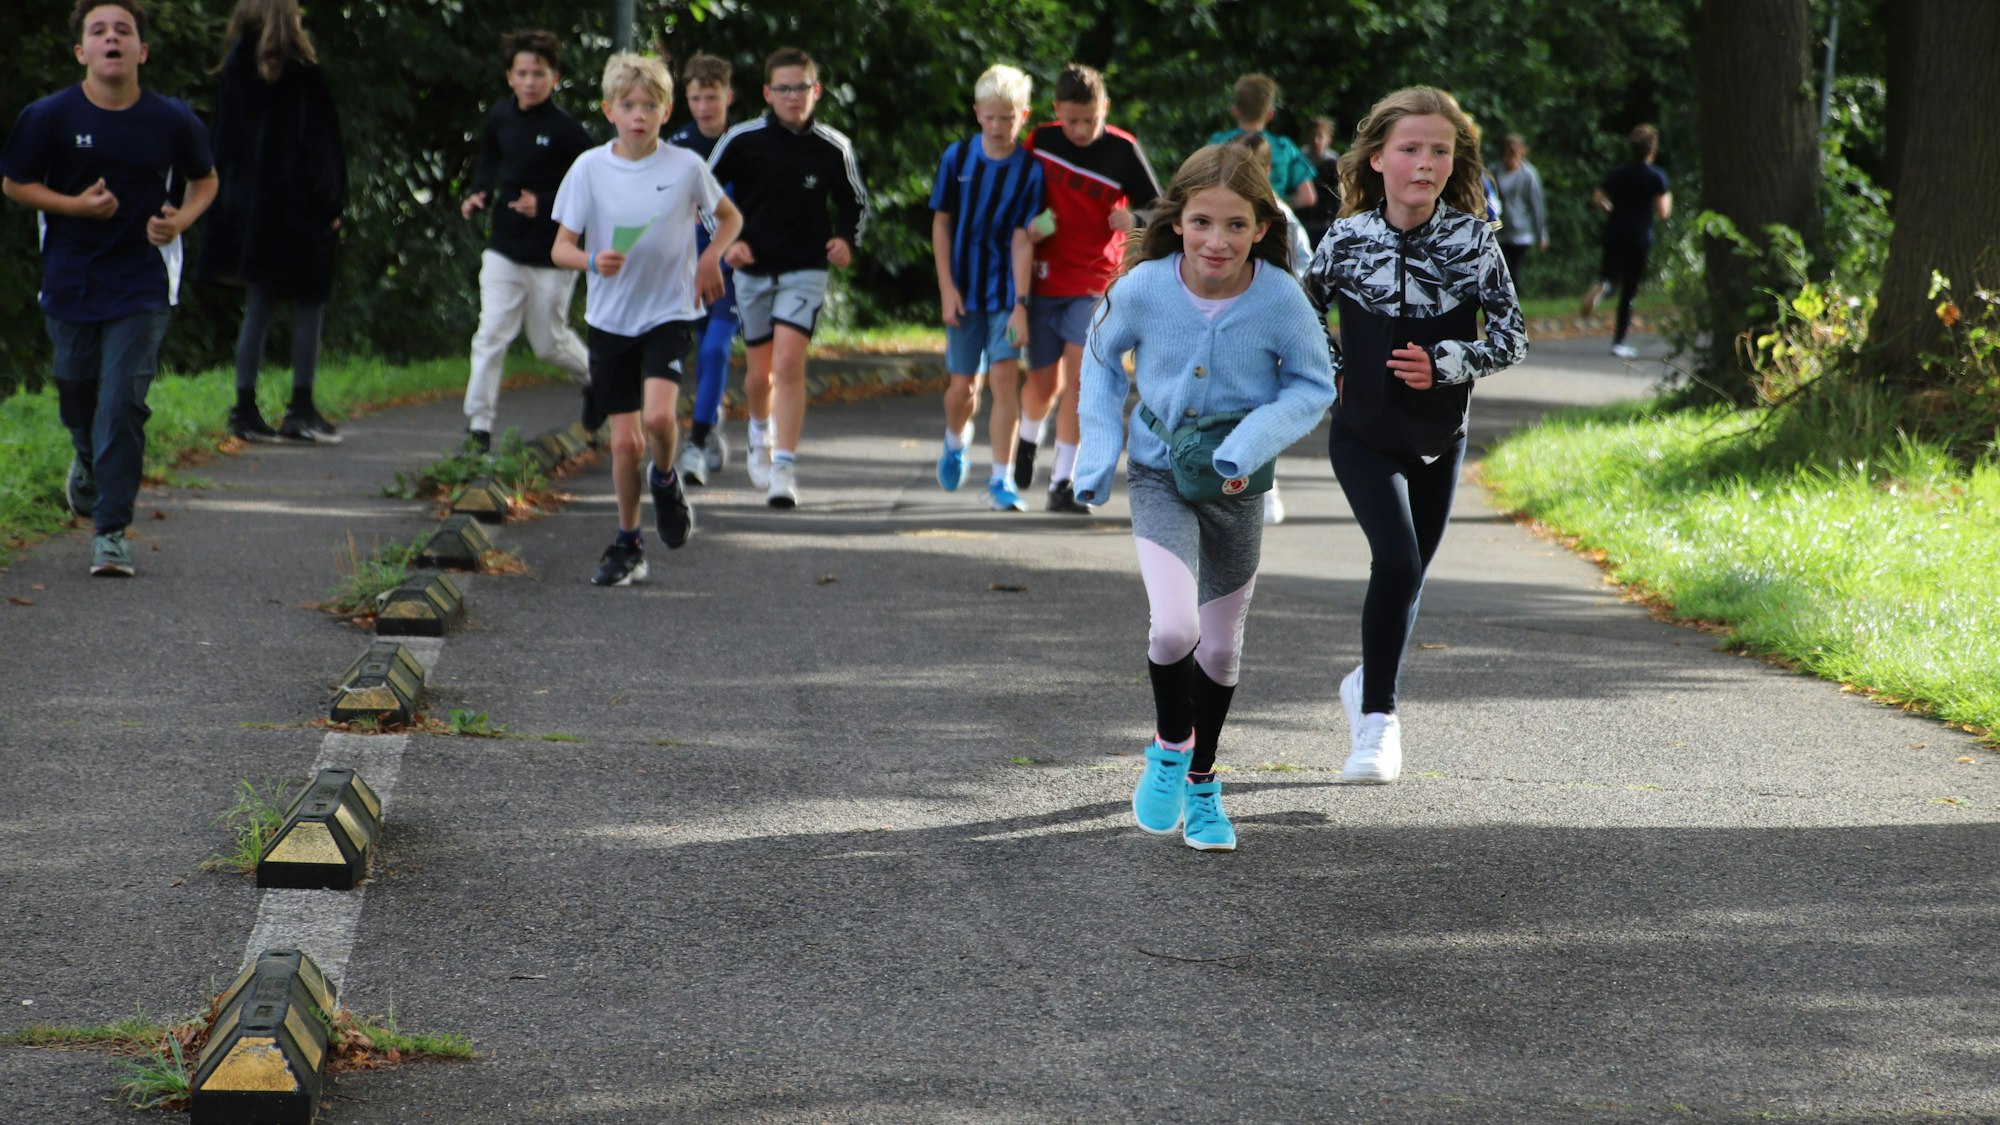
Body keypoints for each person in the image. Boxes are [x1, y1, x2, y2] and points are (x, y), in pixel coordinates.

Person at [1073, 144, 1335, 852]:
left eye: (1235, 226)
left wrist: (1249, 443)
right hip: (1160, 475)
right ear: (1178, 220)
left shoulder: (1280, 296)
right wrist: (1098, 454)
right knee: (1172, 630)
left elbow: (1314, 384)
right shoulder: (1144, 287)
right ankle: (1169, 746)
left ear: (1261, 227)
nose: (1216, 241)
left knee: (1219, 653)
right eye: (1201, 223)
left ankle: (1204, 782)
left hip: (1236, 488)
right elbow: (1099, 361)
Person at [1302, 86, 1526, 784]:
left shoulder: (1472, 242)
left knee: (1411, 575)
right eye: (1409, 149)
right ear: (1376, 160)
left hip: (1439, 433)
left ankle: (1366, 678)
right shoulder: (1346, 238)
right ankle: (1378, 723)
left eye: (1439, 150)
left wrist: (1449, 363)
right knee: (1396, 562)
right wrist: (1334, 369)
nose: (1425, 163)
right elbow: (1300, 314)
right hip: (1363, 431)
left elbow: (1513, 338)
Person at [2, 1, 216, 577]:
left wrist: (179, 222)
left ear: (141, 50)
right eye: (99, 31)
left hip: (142, 281)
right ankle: (86, 461)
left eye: (124, 30)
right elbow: (15, 183)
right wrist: (75, 207)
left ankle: (111, 531)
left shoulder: (171, 119)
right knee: (78, 399)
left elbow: (206, 179)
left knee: (122, 401)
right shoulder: (48, 116)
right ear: (82, 52)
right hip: (70, 278)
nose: (112, 38)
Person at [549, 53, 741, 586]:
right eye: (628, 105)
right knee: (624, 442)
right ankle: (629, 542)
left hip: (669, 311)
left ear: (666, 111)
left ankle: (665, 478)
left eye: (650, 106)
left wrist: (710, 257)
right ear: (609, 110)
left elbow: (729, 218)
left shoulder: (685, 167)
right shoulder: (589, 168)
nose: (639, 115)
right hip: (610, 319)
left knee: (658, 421)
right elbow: (560, 248)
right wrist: (591, 260)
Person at [707, 47, 869, 509]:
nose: (793, 97)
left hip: (805, 269)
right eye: (784, 88)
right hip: (753, 269)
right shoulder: (742, 140)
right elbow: (702, 192)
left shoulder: (833, 147)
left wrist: (845, 240)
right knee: (759, 375)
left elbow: (855, 203)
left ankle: (785, 468)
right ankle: (759, 432)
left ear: (815, 91)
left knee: (787, 365)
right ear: (767, 93)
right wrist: (725, 243)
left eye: (801, 87)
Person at [198, 0, 345, 445]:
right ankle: (300, 409)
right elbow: (323, 147)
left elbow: (218, 146)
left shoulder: (232, 77)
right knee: (308, 306)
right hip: (300, 210)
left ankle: (244, 410)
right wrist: (333, 203)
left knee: (257, 308)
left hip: (250, 215)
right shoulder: (305, 77)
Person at [1020, 63, 1161, 514]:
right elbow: (1016, 200)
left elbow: (1162, 207)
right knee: (1043, 383)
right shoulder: (1039, 142)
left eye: (1090, 120)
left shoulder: (1122, 149)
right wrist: (1031, 226)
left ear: (1105, 109)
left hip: (1094, 279)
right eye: (1071, 120)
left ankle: (1063, 480)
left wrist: (1135, 219)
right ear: (1056, 111)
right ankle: (1027, 436)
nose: (1081, 130)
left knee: (1082, 379)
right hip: (1042, 276)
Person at [459, 29, 595, 453]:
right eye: (523, 73)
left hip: (552, 254)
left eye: (539, 73)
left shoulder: (569, 132)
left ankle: (600, 382)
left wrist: (548, 204)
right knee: (491, 333)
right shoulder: (500, 117)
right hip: (503, 248)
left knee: (547, 343)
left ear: (555, 78)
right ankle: (478, 428)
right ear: (510, 78)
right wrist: (478, 193)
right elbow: (489, 160)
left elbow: (592, 189)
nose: (531, 80)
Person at [929, 64, 1042, 512]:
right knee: (963, 390)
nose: (998, 127)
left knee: (1003, 380)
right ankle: (955, 440)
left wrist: (1020, 306)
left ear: (1023, 116)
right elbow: (941, 225)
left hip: (1003, 293)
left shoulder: (1029, 171)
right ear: (977, 113)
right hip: (962, 289)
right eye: (990, 117)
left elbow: (1022, 240)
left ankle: (1002, 480)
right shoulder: (957, 158)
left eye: (1007, 118)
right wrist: (946, 288)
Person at [1224, 131, 1311, 526]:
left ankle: (1265, 488)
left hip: (1268, 327)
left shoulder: (1281, 217)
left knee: (1259, 407)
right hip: (1226, 325)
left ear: (1266, 170)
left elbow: (1306, 271)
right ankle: (1225, 483)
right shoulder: (1222, 213)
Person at [666, 52, 738, 486]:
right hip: (685, 269)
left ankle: (694, 442)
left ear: (728, 96)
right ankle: (711, 417)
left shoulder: (747, 143)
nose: (704, 107)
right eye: (695, 98)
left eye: (711, 97)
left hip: (733, 269)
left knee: (716, 349)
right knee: (687, 354)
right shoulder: (676, 146)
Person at [1581, 123, 1671, 359]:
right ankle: (1619, 342)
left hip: (1615, 230)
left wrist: (1610, 208)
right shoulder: (1657, 177)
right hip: (1640, 236)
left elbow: (1597, 198)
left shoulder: (1618, 173)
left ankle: (1602, 287)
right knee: (1629, 291)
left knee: (1610, 277)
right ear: (1653, 150)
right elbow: (1663, 212)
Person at [1204, 73, 1316, 212]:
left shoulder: (1217, 142)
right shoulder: (1284, 147)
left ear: (1235, 111)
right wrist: (1278, 204)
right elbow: (1307, 197)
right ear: (1270, 114)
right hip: (1270, 218)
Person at [1491, 132, 1547, 291]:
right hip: (1500, 228)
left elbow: (1537, 205)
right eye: (1508, 151)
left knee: (1513, 267)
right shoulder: (1495, 170)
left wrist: (1541, 233)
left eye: (1515, 151)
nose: (1511, 155)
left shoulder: (1529, 174)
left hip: (1522, 230)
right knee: (1499, 266)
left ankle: (1514, 299)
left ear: (1522, 152)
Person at [1298, 114, 1342, 247]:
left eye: (1320, 136)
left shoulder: (1333, 163)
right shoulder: (1300, 160)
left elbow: (1338, 196)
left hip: (1326, 222)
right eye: (1312, 136)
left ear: (1328, 139)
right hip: (1304, 221)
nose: (1316, 141)